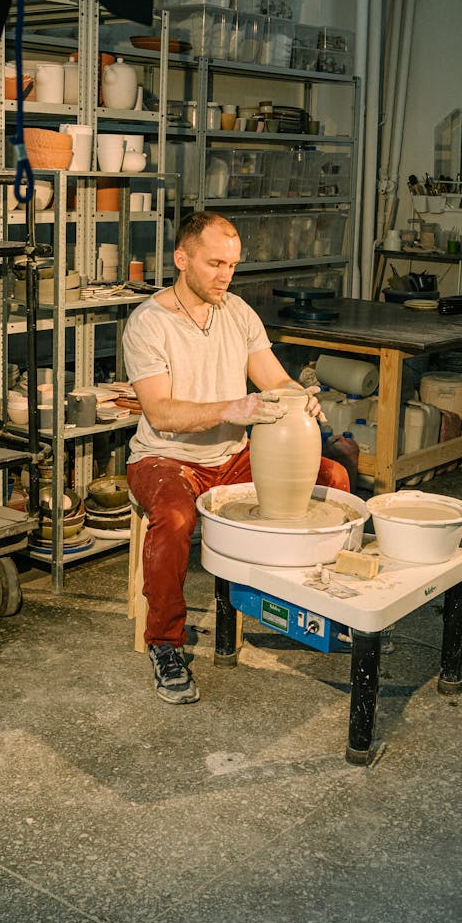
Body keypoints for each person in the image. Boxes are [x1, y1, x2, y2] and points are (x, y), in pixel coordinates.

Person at [122, 211, 350, 705]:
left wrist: (301, 396)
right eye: (215, 263)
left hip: (231, 455)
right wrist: (234, 407)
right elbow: (160, 413)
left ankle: (315, 608)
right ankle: (164, 642)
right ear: (182, 259)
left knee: (332, 476)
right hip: (166, 459)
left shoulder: (238, 312)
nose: (226, 275)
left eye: (233, 265)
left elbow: (275, 380)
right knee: (175, 516)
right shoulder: (148, 323)